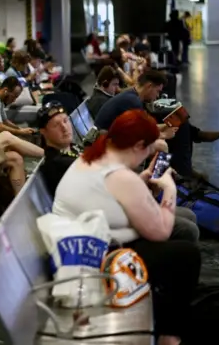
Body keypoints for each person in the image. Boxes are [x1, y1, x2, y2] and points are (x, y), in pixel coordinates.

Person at [53, 109, 201, 345]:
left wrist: (140, 184)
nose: (148, 153)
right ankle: (169, 335)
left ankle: (167, 307)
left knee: (179, 234)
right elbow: (160, 231)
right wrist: (169, 189)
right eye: (148, 148)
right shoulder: (120, 176)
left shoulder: (95, 155)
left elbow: (109, 198)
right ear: (138, 145)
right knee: (186, 254)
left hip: (81, 244)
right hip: (94, 262)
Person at [39, 102, 197, 241]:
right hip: (98, 233)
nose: (64, 127)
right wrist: (169, 188)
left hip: (105, 217)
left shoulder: (76, 152)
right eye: (56, 125)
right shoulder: (59, 163)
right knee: (187, 230)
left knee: (187, 217)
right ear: (43, 131)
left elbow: (108, 189)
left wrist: (141, 181)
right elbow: (159, 231)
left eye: (66, 121)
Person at [95, 70, 219, 176]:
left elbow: (140, 126)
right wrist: (163, 134)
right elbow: (141, 131)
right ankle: (160, 179)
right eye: (157, 91)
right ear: (149, 86)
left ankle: (182, 170)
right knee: (162, 145)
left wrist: (167, 126)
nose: (157, 95)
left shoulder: (132, 96)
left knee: (177, 124)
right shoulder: (133, 101)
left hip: (111, 135)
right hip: (109, 140)